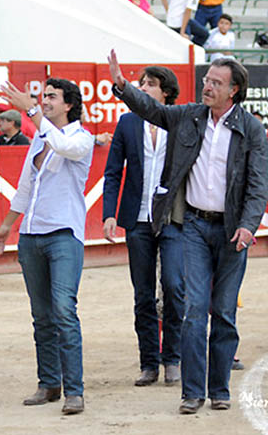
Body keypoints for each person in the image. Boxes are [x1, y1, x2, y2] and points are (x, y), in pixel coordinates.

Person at [108, 50, 268, 414]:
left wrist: (248, 225)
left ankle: (220, 389)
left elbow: (258, 185)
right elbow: (152, 110)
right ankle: (192, 392)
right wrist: (122, 86)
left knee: (223, 312)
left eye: (216, 82)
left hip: (232, 230)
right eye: (206, 80)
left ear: (234, 90)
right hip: (193, 225)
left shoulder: (251, 129)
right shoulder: (189, 116)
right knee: (195, 310)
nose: (207, 86)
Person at [0, 78, 95, 415]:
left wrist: (31, 111)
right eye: (44, 96)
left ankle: (75, 390)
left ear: (69, 104)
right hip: (32, 234)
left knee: (64, 310)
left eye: (52, 96)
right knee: (42, 315)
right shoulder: (40, 137)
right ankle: (50, 382)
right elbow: (26, 186)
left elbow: (64, 146)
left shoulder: (82, 137)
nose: (45, 101)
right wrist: (7, 224)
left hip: (64, 233)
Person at [103, 66, 185, 388]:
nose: (144, 88)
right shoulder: (127, 122)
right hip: (136, 218)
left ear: (166, 92)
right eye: (142, 84)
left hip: (172, 218)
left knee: (174, 286)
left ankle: (173, 358)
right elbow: (113, 171)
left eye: (150, 84)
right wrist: (109, 213)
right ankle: (149, 362)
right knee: (143, 294)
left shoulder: (179, 119)